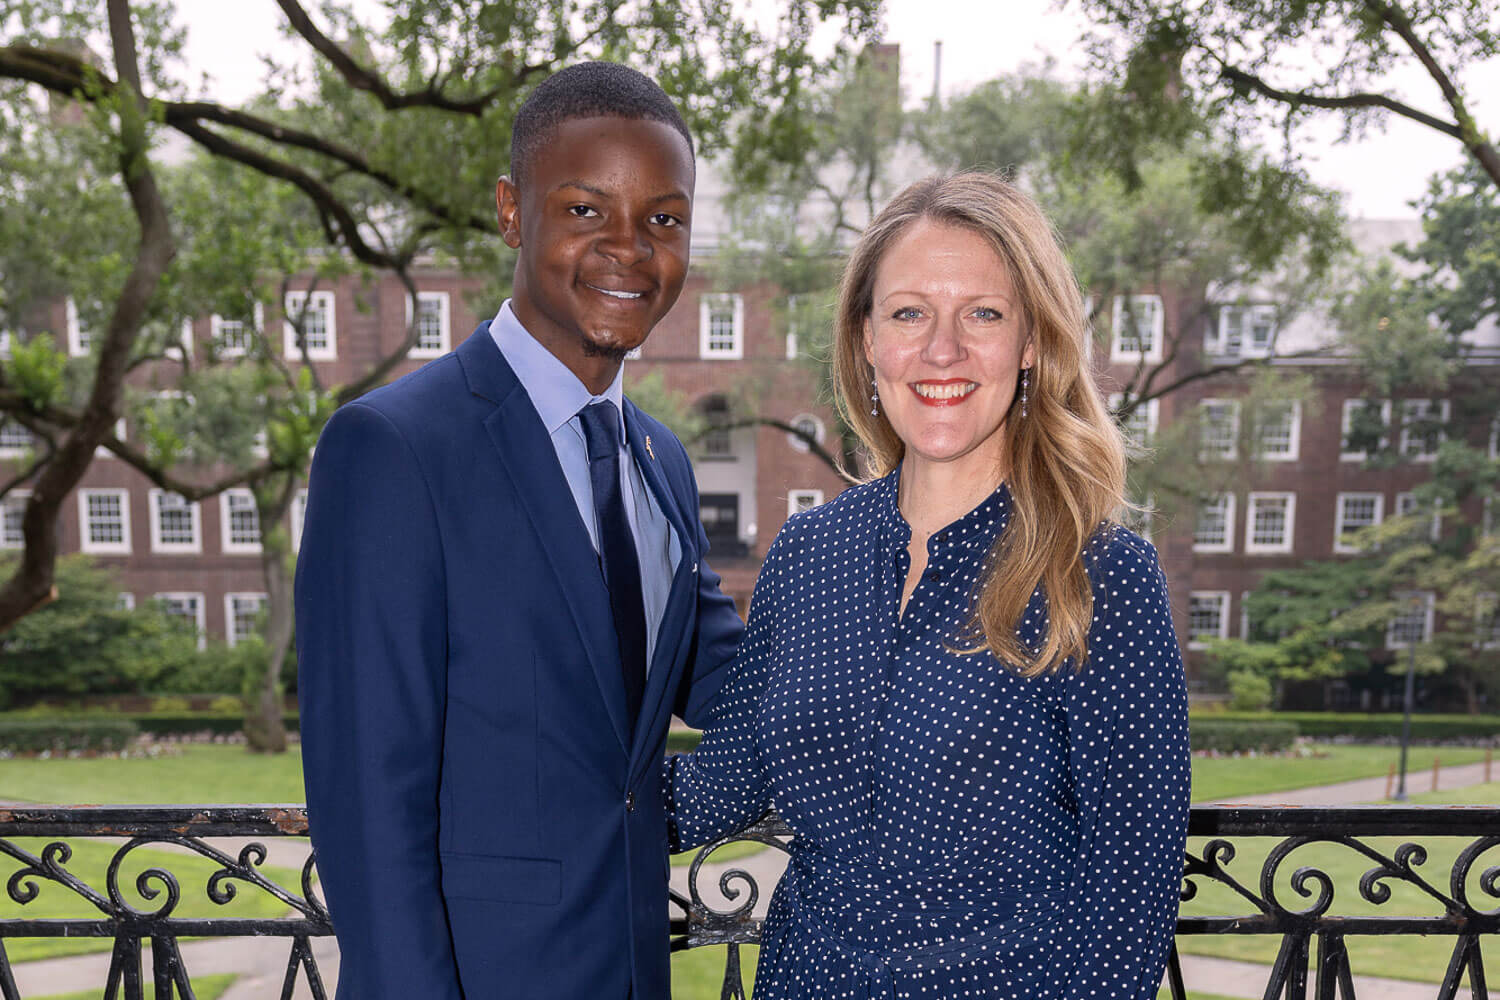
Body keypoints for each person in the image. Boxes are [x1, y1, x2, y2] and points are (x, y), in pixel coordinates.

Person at [665, 171, 1191, 1000]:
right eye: (909, 313)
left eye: (982, 314)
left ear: (1030, 343)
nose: (941, 350)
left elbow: (1129, 892)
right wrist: (526, 772)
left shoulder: (1098, 573)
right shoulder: (807, 556)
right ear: (867, 340)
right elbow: (723, 782)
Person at [296, 62, 744, 1000]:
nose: (629, 248)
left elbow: (740, 682)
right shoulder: (393, 450)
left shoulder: (658, 459)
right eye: (586, 211)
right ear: (511, 210)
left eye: (664, 219)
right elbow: (370, 806)